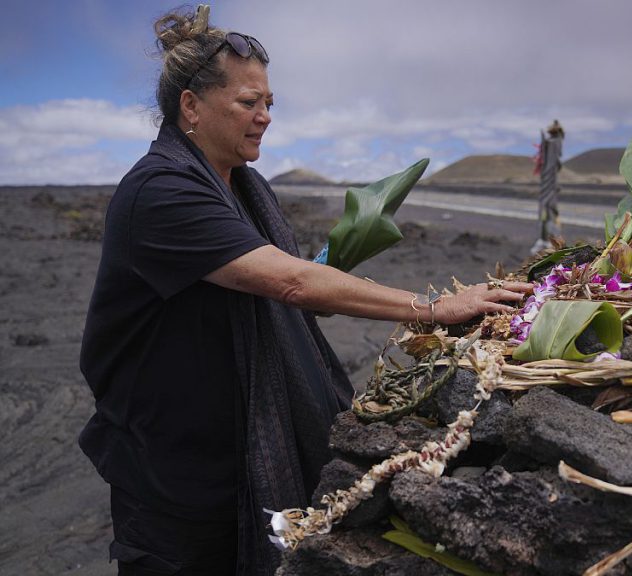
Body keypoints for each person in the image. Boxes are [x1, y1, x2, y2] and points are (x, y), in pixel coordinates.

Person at [78, 6, 531, 575]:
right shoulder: (161, 192)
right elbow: (290, 282)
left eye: (270, 103)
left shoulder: (241, 186)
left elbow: (280, 276)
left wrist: (330, 266)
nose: (265, 116)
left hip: (232, 456)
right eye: (249, 102)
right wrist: (435, 308)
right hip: (173, 473)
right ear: (190, 106)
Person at [531, 119, 564, 254]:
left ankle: (552, 239)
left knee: (549, 210)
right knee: (545, 211)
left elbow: (555, 161)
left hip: (550, 182)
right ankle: (544, 239)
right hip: (547, 181)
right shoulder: (552, 143)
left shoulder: (554, 143)